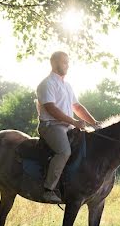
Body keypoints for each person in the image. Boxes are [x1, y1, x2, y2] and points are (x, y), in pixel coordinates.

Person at [35, 51, 100, 203]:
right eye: (64, 62)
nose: (67, 65)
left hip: (67, 126)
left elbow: (77, 107)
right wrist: (75, 122)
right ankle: (48, 189)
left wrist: (94, 123)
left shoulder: (67, 85)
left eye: (68, 62)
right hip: (51, 126)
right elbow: (52, 109)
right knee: (64, 152)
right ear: (54, 63)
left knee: (85, 147)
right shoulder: (46, 84)